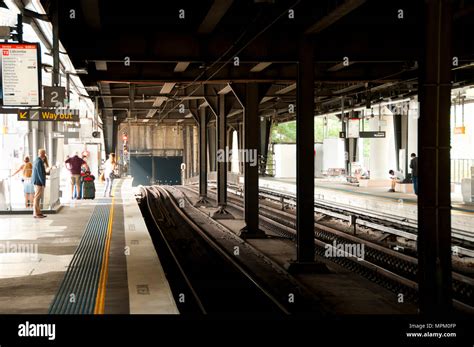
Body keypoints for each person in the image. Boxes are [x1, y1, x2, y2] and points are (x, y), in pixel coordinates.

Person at [32, 149, 47, 218]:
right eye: (44, 153)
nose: (44, 154)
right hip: (38, 182)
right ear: (41, 154)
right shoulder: (38, 161)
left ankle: (38, 212)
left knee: (37, 197)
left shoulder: (37, 160)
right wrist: (43, 182)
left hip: (37, 181)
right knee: (37, 198)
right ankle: (36, 213)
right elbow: (40, 173)